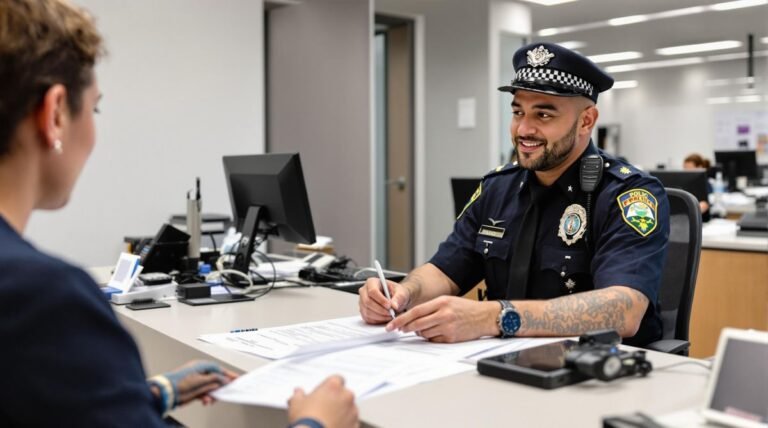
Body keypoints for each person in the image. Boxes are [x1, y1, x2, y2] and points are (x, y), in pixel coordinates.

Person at [0, 1, 357, 427]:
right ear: (55, 113)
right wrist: (316, 423)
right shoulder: (44, 299)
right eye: (95, 109)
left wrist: (149, 395)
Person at [360, 42, 670, 347]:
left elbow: (624, 310)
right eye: (518, 112)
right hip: (502, 358)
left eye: (543, 115)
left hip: (599, 366)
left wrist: (496, 317)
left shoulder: (628, 194)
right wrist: (403, 293)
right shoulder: (497, 188)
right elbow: (445, 270)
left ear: (586, 121)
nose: (523, 129)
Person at [683, 153, 713, 220]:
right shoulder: (684, 184)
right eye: (685, 168)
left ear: (700, 167)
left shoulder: (705, 184)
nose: (686, 172)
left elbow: (705, 203)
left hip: (701, 219)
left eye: (690, 169)